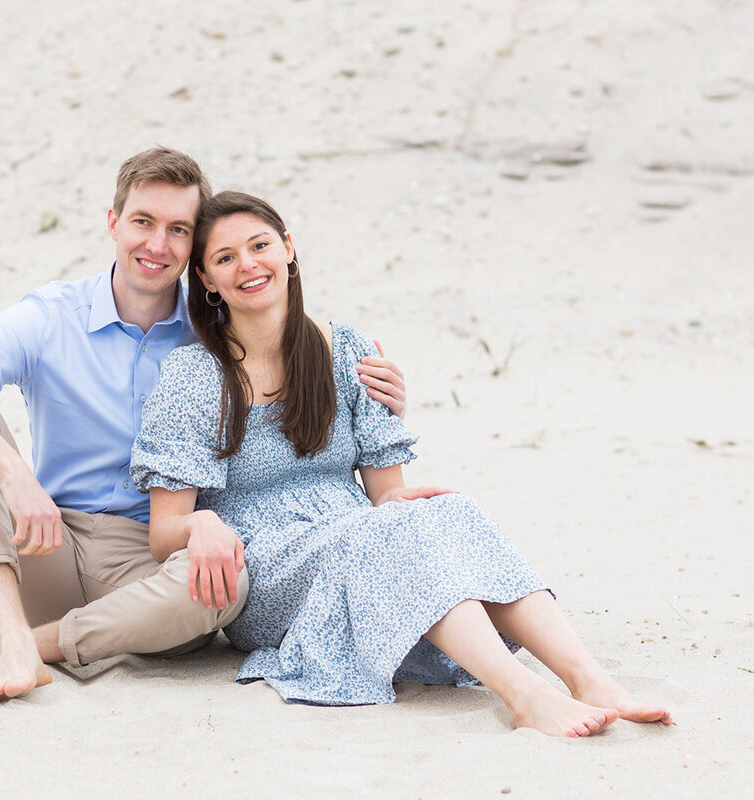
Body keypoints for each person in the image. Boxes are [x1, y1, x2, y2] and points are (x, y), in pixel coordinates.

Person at [130, 191, 674, 737]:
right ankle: (525, 694)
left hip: (356, 532)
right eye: (225, 258)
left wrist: (402, 503)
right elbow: (163, 536)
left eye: (260, 245)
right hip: (267, 568)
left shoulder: (349, 352)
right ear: (205, 278)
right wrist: (202, 523)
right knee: (389, 533)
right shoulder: (194, 377)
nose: (248, 264)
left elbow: (386, 494)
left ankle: (589, 679)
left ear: (288, 249)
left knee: (455, 512)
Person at [0, 149, 409, 703]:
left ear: (195, 249)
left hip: (150, 561)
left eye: (178, 229)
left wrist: (374, 385)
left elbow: (302, 356)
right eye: (142, 222)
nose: (157, 245)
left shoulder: (221, 332)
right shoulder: (52, 315)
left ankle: (10, 646)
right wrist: (15, 476)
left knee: (224, 588)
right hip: (46, 537)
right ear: (113, 222)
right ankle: (13, 640)